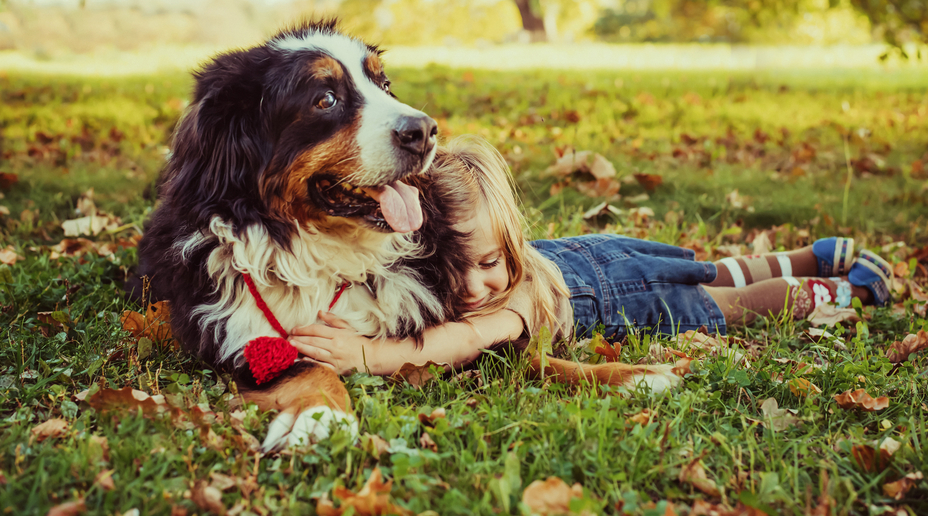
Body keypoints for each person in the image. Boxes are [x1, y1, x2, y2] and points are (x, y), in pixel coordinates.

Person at [288, 136, 893, 375]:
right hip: (593, 253)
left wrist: (369, 353)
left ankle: (848, 289)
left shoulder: (514, 296)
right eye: (456, 269)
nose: (473, 287)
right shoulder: (472, 266)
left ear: (512, 245)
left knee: (725, 298)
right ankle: (812, 255)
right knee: (705, 267)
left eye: (491, 263)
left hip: (624, 296)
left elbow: (462, 343)